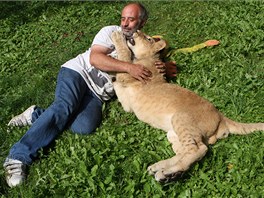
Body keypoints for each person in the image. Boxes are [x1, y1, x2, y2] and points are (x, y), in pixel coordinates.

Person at [3, 2, 177, 188]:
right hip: (78, 73)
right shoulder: (111, 32)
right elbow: (96, 59)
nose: (125, 24)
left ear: (142, 23)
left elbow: (160, 64)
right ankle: (17, 157)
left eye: (131, 19)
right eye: (123, 18)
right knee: (64, 107)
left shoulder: (144, 43)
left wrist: (161, 66)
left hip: (96, 94)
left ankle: (37, 114)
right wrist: (129, 67)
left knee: (84, 127)